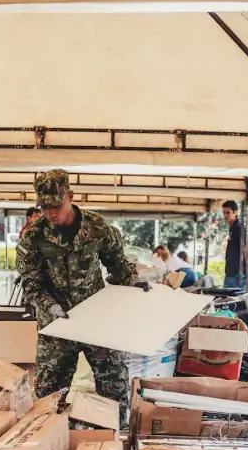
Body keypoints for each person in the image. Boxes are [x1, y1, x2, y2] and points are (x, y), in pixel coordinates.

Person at [16, 169, 150, 425]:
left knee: (114, 387)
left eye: (56, 205)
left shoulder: (97, 227)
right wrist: (50, 307)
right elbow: (31, 284)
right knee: (49, 397)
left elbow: (117, 263)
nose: (50, 213)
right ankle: (48, 440)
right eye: (44, 207)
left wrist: (132, 280)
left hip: (96, 317)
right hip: (57, 324)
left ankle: (114, 438)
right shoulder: (33, 237)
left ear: (70, 196)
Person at [222, 201, 246, 290]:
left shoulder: (239, 227)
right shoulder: (232, 228)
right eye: (224, 213)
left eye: (228, 212)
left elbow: (247, 248)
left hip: (237, 274)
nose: (225, 215)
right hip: (230, 272)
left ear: (235, 212)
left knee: (232, 297)